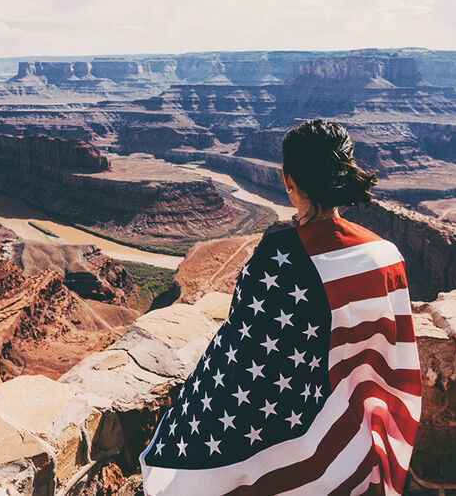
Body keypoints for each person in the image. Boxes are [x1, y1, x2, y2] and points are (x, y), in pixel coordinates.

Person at [140, 118, 422, 496]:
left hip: (290, 458)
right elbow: (395, 360)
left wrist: (185, 415)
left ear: (288, 180)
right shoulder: (387, 257)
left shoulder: (280, 258)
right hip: (353, 450)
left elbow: (239, 356)